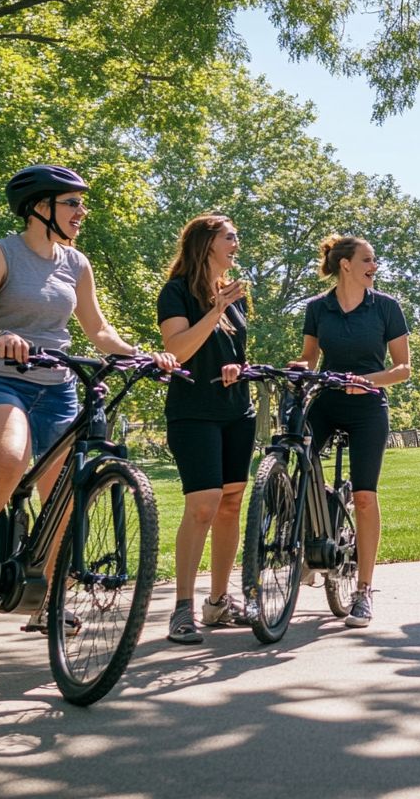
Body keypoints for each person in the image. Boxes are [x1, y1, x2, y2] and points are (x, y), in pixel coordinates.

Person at [0, 165, 177, 632]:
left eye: (82, 203)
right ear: (41, 208)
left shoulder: (76, 263)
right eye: (73, 203)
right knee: (8, 463)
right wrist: (3, 336)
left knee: (64, 493)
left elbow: (98, 329)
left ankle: (42, 596)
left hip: (59, 383)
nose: (82, 212)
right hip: (2, 378)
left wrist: (141, 354)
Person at [291, 235, 411, 628]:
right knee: (296, 465)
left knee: (363, 496)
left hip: (367, 407)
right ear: (346, 265)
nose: (374, 266)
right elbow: (309, 360)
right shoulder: (317, 308)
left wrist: (365, 380)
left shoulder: (387, 307)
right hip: (326, 401)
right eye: (368, 259)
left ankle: (362, 591)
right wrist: (295, 369)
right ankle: (311, 537)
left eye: (374, 260)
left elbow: (402, 369)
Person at [157, 214, 257, 644]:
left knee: (231, 503)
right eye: (230, 237)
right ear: (206, 244)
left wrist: (241, 368)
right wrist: (214, 311)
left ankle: (218, 602)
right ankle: (182, 609)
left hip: (237, 410)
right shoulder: (177, 292)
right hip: (193, 412)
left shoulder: (235, 297)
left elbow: (230, 352)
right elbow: (177, 350)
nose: (236, 244)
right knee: (204, 504)